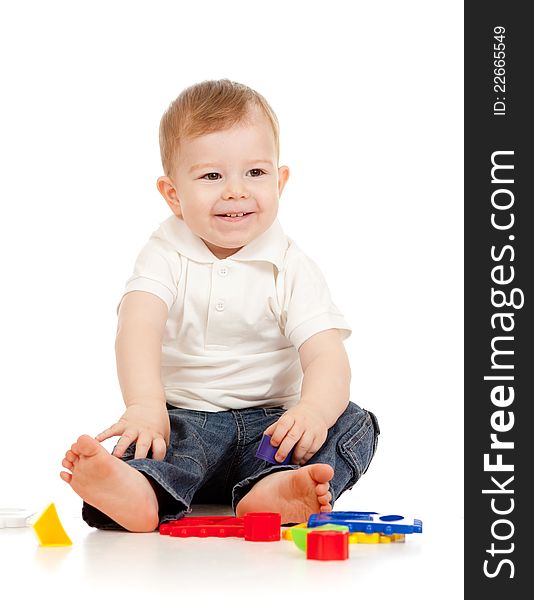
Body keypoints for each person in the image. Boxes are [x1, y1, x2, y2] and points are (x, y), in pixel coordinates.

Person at [60, 79, 379, 532]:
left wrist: (311, 412)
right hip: (187, 423)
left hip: (275, 431)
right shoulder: (165, 253)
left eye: (255, 173)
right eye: (212, 176)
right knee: (147, 438)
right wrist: (146, 406)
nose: (235, 191)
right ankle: (138, 491)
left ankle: (273, 489)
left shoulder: (290, 264)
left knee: (353, 422)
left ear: (280, 180)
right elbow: (138, 327)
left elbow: (327, 354)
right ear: (173, 194)